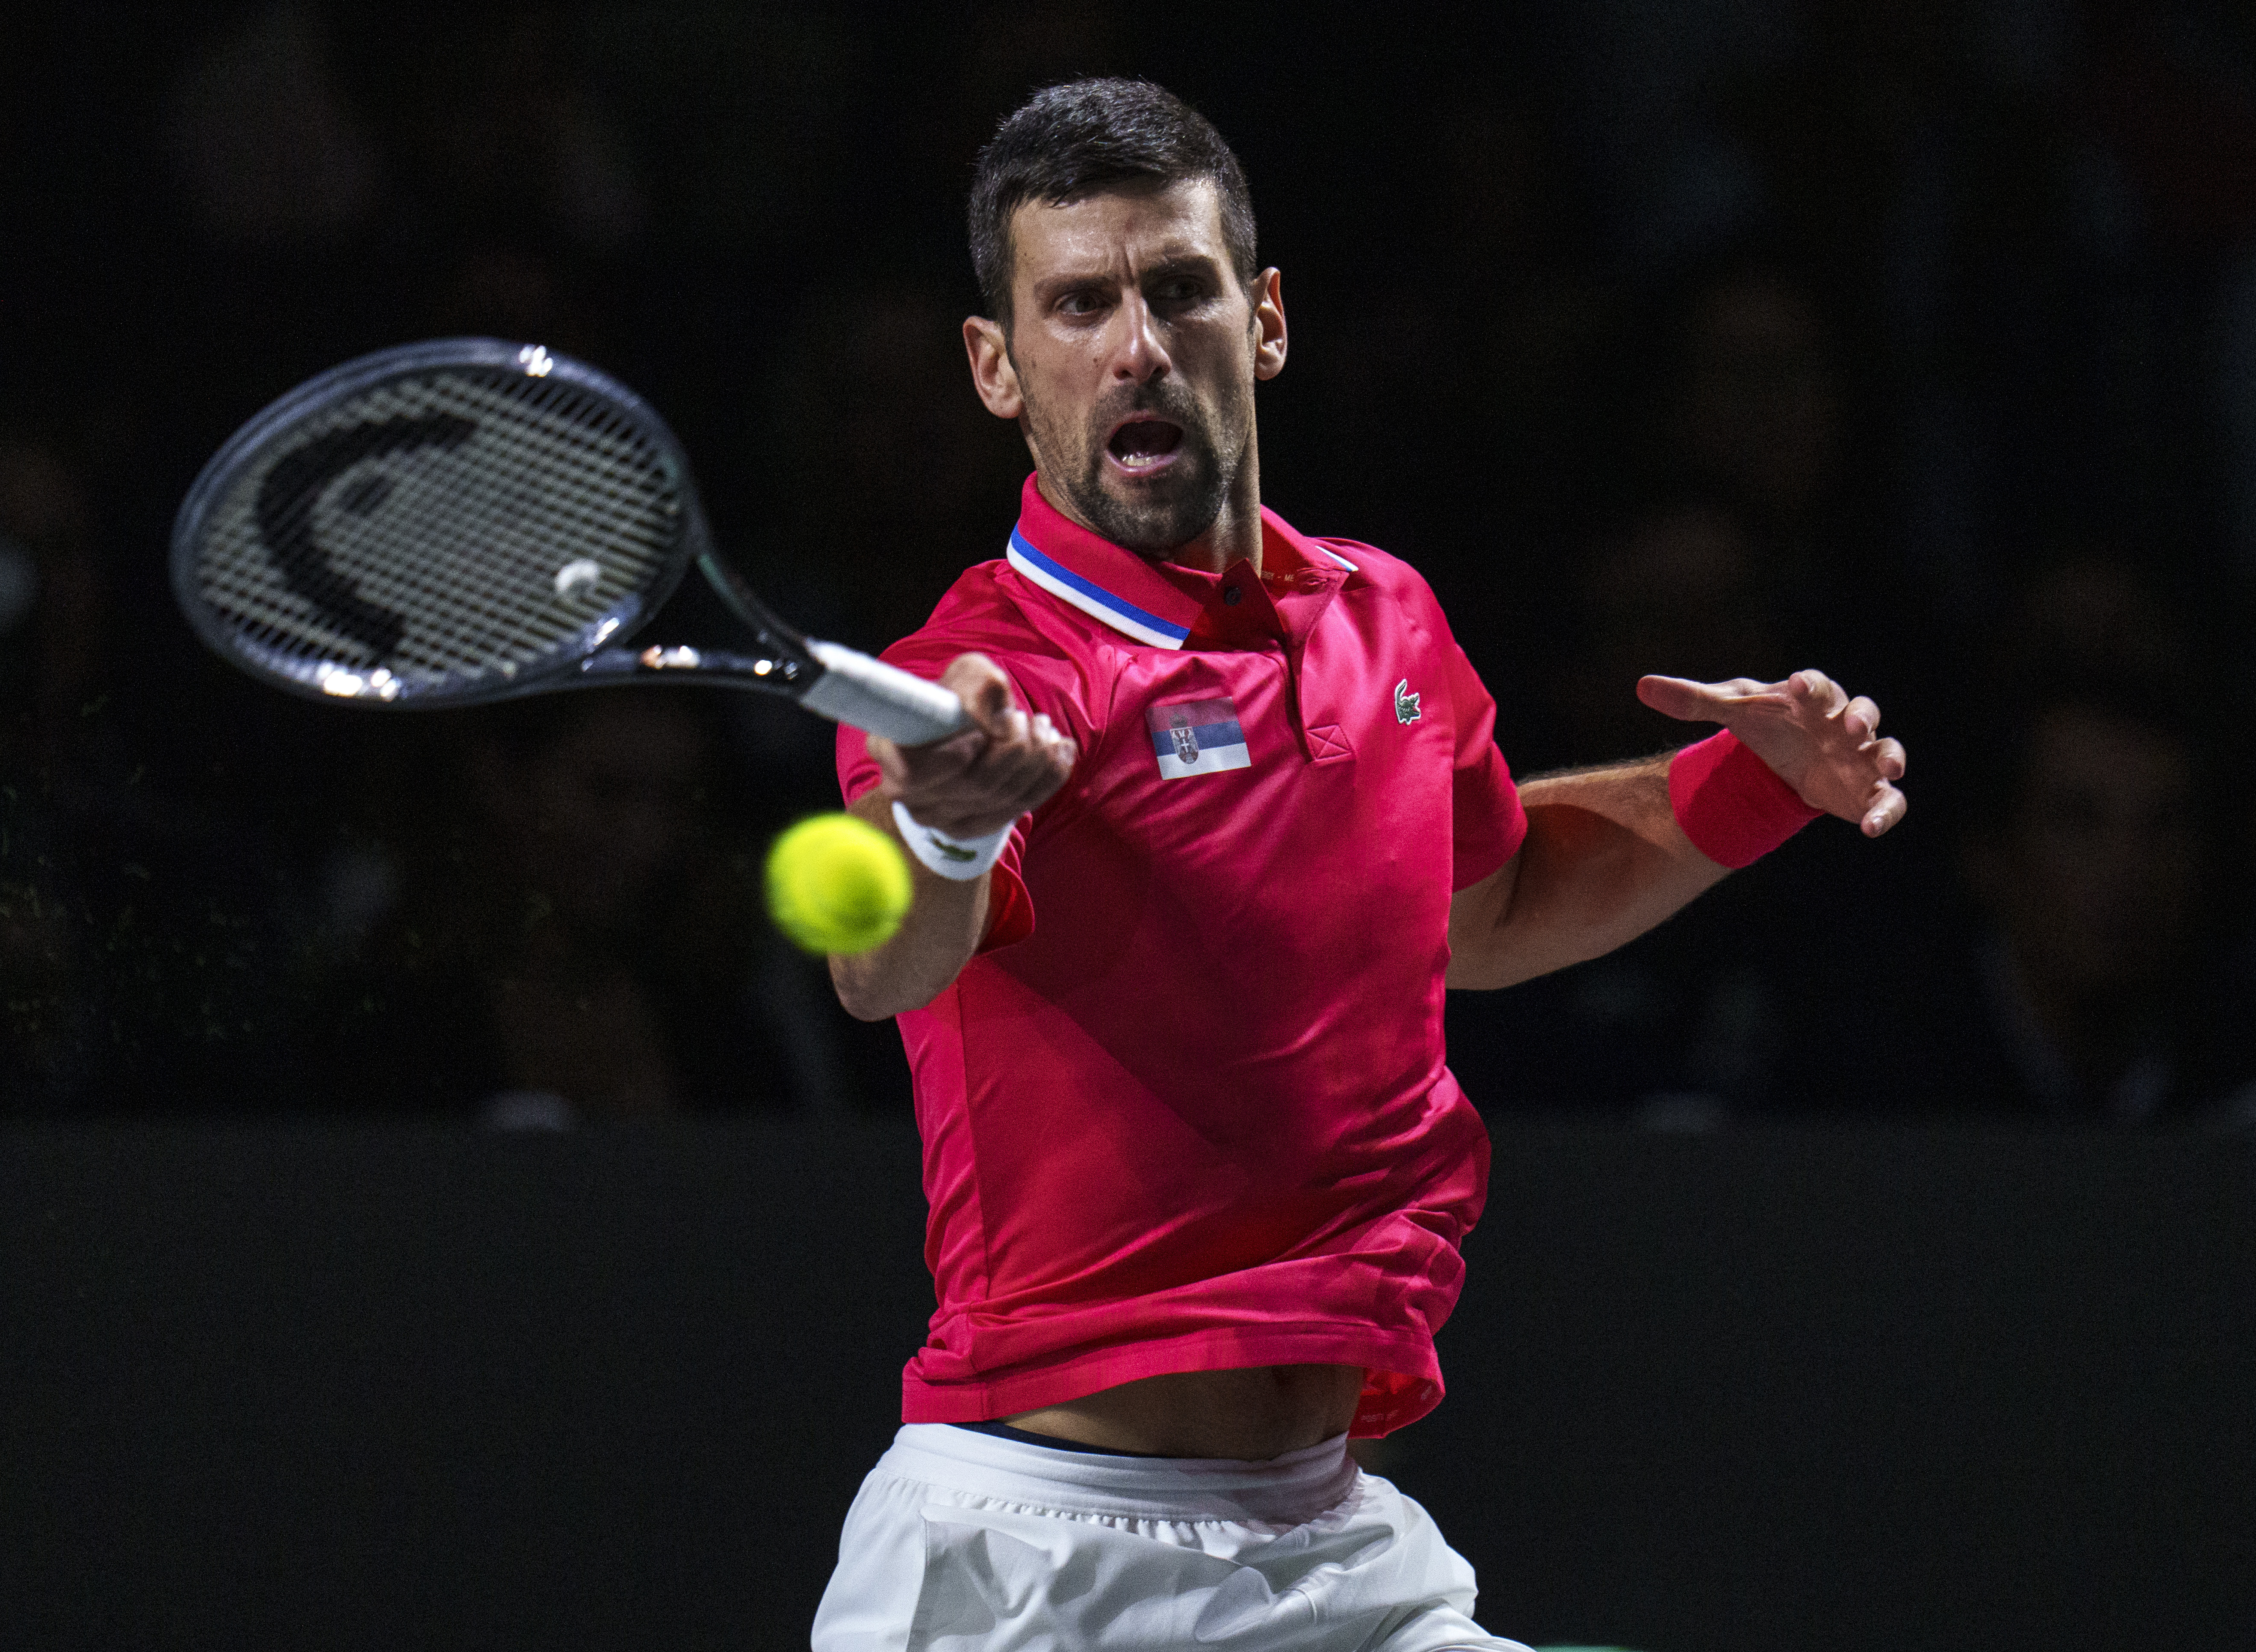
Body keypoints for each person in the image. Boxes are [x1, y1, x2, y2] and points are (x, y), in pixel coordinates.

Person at [810, 81, 1907, 1651]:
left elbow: (1498, 902)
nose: (1136, 345)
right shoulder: (975, 679)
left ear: (1259, 322)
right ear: (998, 365)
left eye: (1177, 289)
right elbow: (884, 964)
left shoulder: (1382, 618)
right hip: (1033, 1559)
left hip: (1333, 1551)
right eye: (1077, 304)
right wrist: (946, 818)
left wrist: (1752, 787)